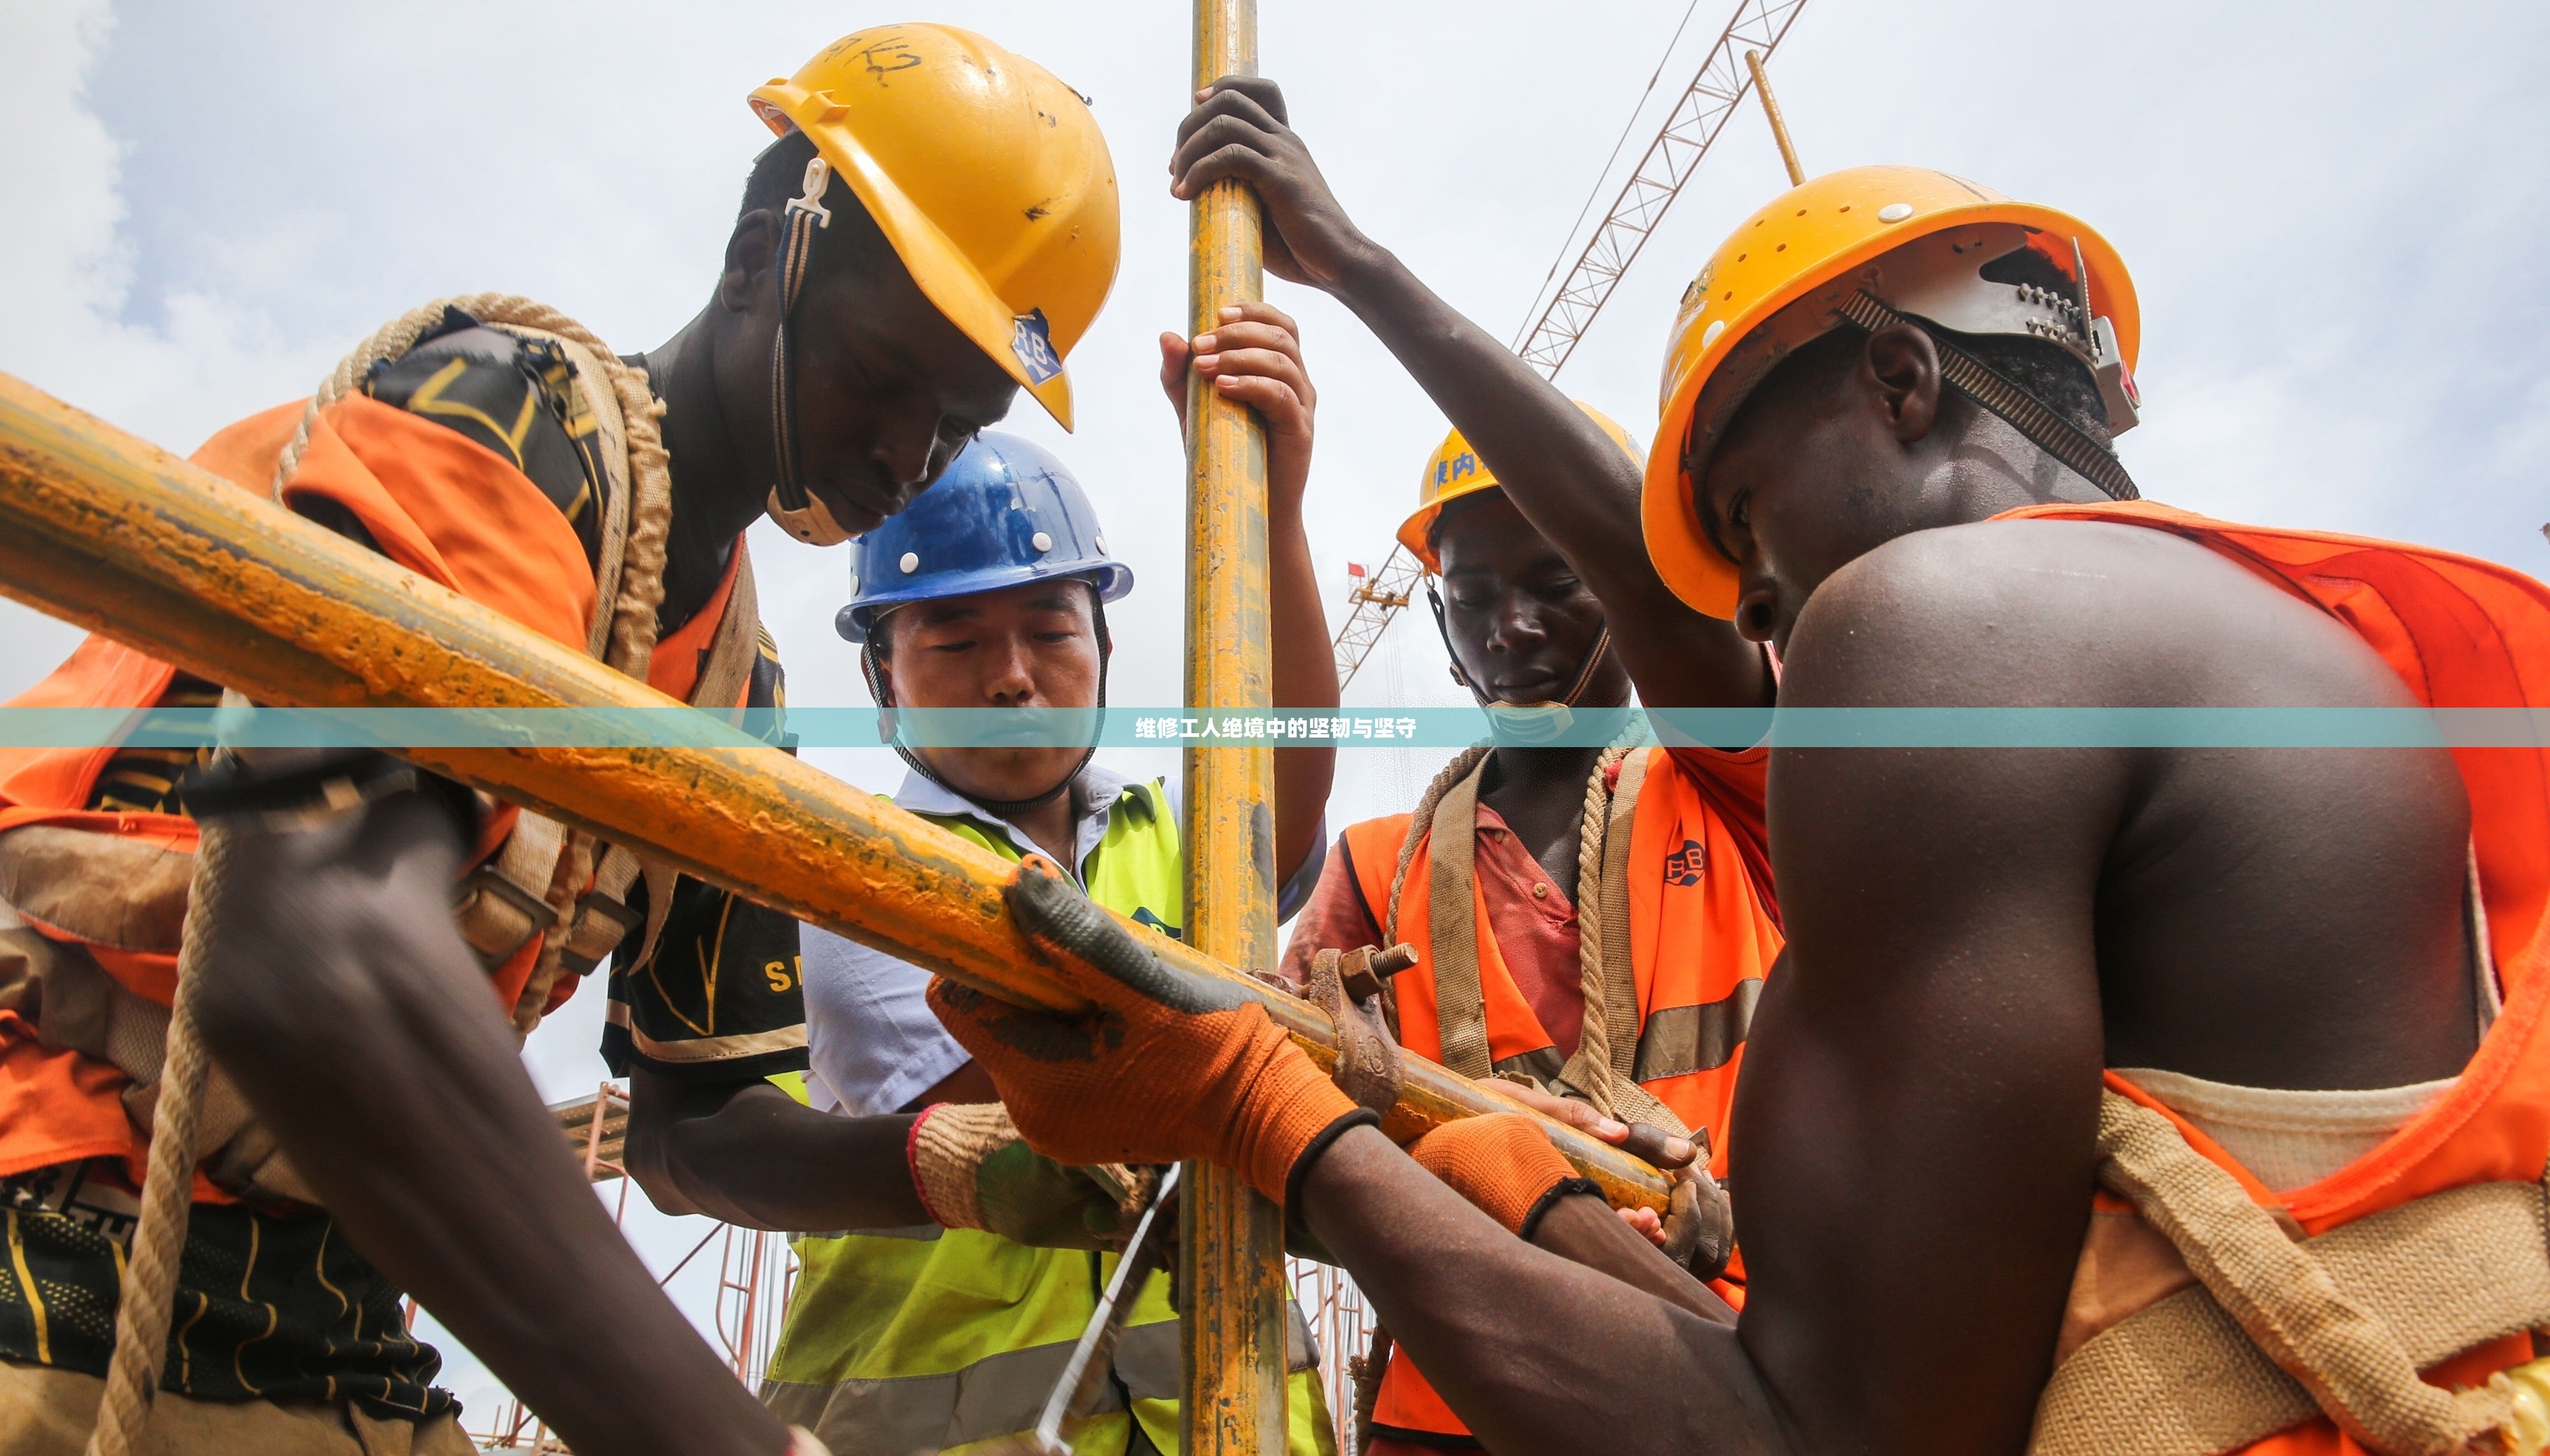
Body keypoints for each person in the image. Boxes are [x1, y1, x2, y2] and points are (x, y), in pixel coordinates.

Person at [931, 76, 2550, 1456]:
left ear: (1901, 383)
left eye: (1743, 518)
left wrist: (1262, 1115)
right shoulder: (2277, 643)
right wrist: (1525, 1188)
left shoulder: (1946, 636)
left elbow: (1812, 1437)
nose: (1749, 602)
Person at [0, 24, 1114, 1456]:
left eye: (956, 424)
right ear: (759, 258)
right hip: (62, 1217)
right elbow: (310, 951)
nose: (905, 456)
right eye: (881, 373)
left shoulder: (733, 691)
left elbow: (691, 1120)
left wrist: (943, 1166)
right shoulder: (503, 419)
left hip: (329, 1296)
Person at [630, 304, 1338, 1456]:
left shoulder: (1174, 832)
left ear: (1105, 649)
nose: (1011, 677)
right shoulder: (854, 877)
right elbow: (1040, 1092)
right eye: (954, 642)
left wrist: (1271, 512)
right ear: (885, 682)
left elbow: (1282, 786)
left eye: (1051, 629)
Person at [1235, 89, 1777, 1453]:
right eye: (1472, 598)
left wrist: (1354, 263)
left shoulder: (1735, 790)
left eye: (1557, 584)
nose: (1511, 630)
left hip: (1736, 1366)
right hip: (1461, 1401)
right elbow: (1285, 1124)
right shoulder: (1379, 869)